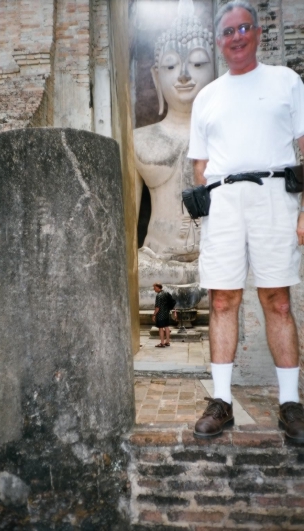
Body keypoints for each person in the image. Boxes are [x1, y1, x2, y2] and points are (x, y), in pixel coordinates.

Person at [187, 0, 304, 442]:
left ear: (256, 33)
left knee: (277, 300)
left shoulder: (285, 81)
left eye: (243, 29)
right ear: (219, 42)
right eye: (227, 32)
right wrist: (218, 199)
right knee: (222, 300)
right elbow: (199, 164)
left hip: (275, 195)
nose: (235, 37)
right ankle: (221, 402)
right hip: (224, 201)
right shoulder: (207, 96)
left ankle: (290, 403)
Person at [134, 0, 214, 297]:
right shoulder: (137, 140)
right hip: (155, 262)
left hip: (213, 254)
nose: (182, 75)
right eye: (170, 65)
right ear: (157, 76)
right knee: (136, 267)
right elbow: (126, 226)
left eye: (197, 63)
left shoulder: (223, 137)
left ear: (216, 70)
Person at [152, 283, 172, 347]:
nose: (154, 289)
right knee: (166, 327)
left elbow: (157, 307)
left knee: (161, 328)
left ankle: (162, 343)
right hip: (166, 313)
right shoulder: (166, 293)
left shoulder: (158, 295)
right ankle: (168, 341)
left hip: (160, 314)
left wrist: (154, 315)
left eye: (155, 288)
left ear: (158, 287)